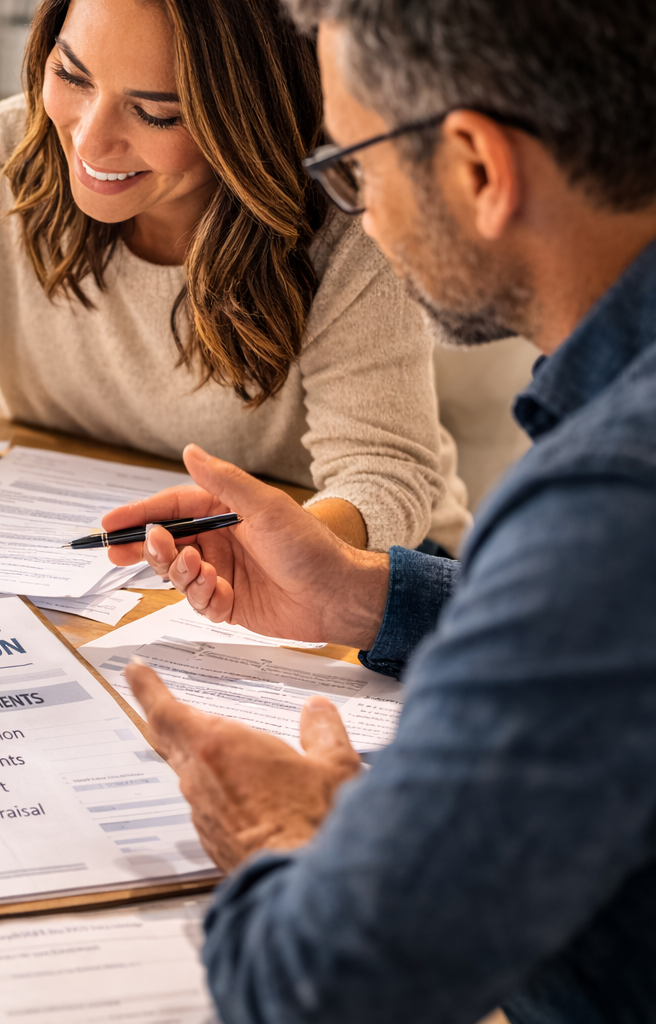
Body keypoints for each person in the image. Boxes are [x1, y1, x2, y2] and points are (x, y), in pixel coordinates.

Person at [101, 0, 656, 1020]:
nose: (355, 214)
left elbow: (318, 990)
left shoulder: (609, 500)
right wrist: (368, 594)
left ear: (478, 168)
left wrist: (276, 834)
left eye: (355, 167)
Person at [0, 0, 472, 556]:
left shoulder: (351, 217)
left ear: (246, 116)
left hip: (358, 565)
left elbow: (383, 479)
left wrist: (254, 549)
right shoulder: (6, 149)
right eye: (71, 74)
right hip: (85, 559)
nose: (90, 142)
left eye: (156, 113)